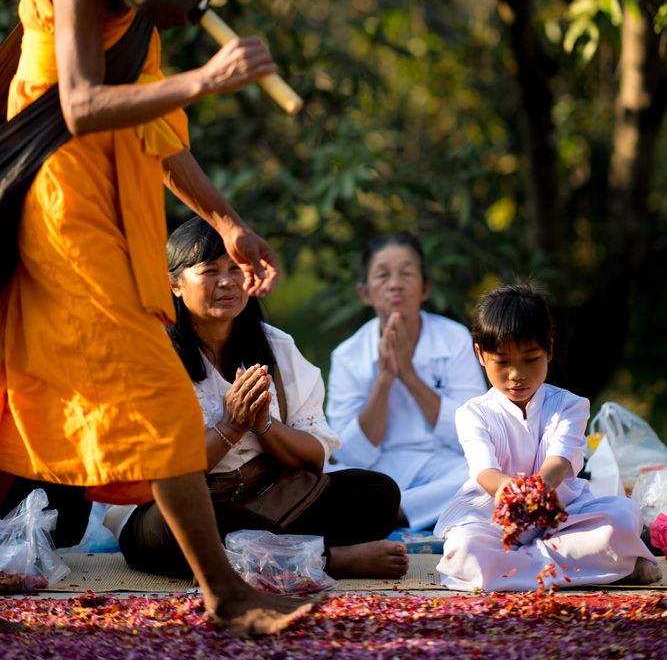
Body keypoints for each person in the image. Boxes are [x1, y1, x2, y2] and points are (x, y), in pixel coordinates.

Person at [0, 0, 317, 633]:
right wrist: (206, 79)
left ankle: (223, 593)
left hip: (120, 211)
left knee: (18, 402)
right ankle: (227, 598)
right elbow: (79, 105)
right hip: (63, 210)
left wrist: (226, 221)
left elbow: (155, 135)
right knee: (165, 400)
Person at [104, 216, 408, 581]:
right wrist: (230, 426)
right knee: (181, 523)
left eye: (236, 269)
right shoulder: (150, 354)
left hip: (269, 497)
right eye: (210, 271)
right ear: (174, 283)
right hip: (186, 503)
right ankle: (328, 561)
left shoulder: (277, 346)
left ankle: (271, 553)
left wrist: (263, 424)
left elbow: (313, 459)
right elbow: (161, 474)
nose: (227, 282)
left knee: (378, 493)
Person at [435, 281, 661, 591]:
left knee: (624, 515)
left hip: (564, 515)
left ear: (549, 350)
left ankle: (518, 569)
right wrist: (509, 491)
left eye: (530, 359)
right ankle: (606, 566)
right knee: (463, 550)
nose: (517, 374)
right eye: (502, 362)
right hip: (494, 519)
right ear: (480, 354)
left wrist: (538, 491)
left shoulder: (570, 405)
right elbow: (484, 471)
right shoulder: (472, 413)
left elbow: (558, 463)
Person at [326, 232, 486, 532]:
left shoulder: (454, 339)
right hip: (379, 471)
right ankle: (422, 511)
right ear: (365, 292)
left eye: (407, 273)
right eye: (383, 275)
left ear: (425, 288)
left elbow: (474, 432)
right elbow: (348, 453)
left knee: (490, 471)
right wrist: (385, 380)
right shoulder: (348, 355)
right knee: (328, 477)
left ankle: (395, 513)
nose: (395, 284)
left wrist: (410, 377)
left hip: (442, 466)